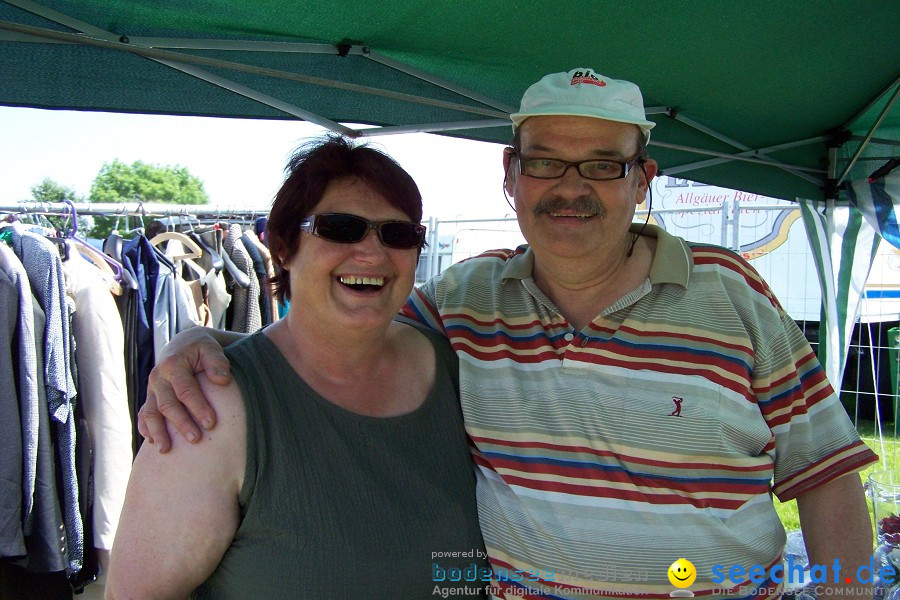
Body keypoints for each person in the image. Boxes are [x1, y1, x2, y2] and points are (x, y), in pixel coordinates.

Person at [139, 69, 877, 600]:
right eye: (547, 161)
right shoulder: (467, 300)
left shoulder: (731, 292)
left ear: (641, 178)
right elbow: (336, 324)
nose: (571, 186)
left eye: (602, 165)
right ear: (511, 173)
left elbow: (829, 478)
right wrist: (198, 346)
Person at [105, 136, 487, 599]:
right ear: (283, 247)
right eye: (340, 228)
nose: (372, 252)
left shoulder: (456, 366)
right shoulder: (211, 409)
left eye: (399, 234)